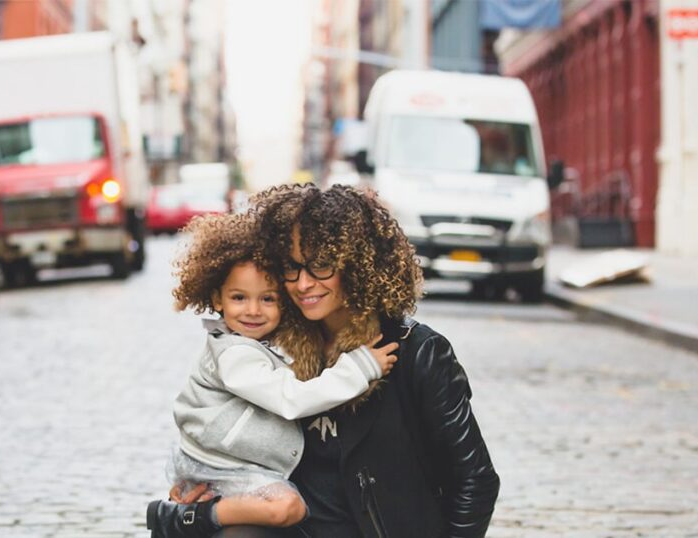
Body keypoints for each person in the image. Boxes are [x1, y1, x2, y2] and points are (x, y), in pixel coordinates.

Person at [177, 184, 501, 537]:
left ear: (357, 264)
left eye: (321, 266)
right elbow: (222, 430)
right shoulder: (272, 346)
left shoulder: (417, 353)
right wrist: (206, 495)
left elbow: (475, 480)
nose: (303, 283)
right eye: (292, 267)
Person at [148, 211, 400, 538]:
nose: (253, 310)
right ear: (216, 298)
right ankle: (187, 518)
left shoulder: (262, 344)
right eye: (239, 298)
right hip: (222, 466)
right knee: (288, 508)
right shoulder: (234, 354)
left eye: (268, 299)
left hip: (229, 462)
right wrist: (360, 368)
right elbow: (290, 399)